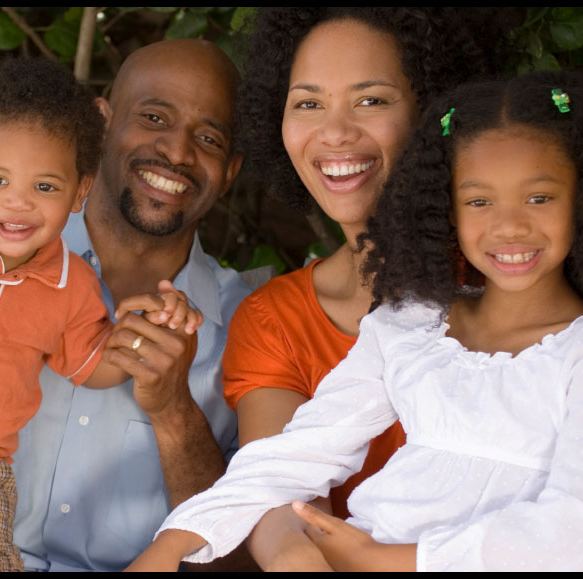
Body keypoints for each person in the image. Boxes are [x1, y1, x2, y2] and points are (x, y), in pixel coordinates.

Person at [126, 68, 583, 573]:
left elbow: (569, 528)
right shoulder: (410, 325)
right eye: (479, 201)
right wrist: (167, 549)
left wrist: (383, 559)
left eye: (539, 198)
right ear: (445, 211)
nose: (509, 226)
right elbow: (299, 452)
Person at [220, 6, 498, 569]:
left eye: (371, 100)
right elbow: (280, 501)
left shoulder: (520, 278)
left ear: (433, 111)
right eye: (308, 103)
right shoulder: (276, 318)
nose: (336, 132)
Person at [10, 40, 258, 572]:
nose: (177, 152)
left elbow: (239, 563)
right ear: (100, 123)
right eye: (154, 117)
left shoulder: (253, 327)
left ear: (230, 170)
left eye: (208, 137)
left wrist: (175, 413)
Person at [0, 56, 201, 572]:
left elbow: (92, 367)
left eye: (44, 187)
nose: (17, 203)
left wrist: (144, 332)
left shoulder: (70, 286)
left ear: (79, 192)